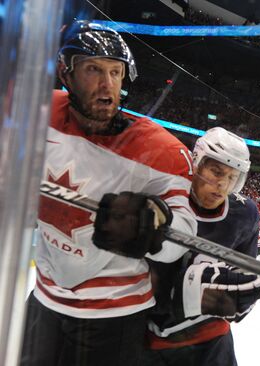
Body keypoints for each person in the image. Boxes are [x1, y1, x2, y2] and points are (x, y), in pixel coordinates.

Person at [20, 20, 197, 366]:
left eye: (116, 73)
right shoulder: (38, 113)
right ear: (66, 74)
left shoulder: (158, 149)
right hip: (45, 300)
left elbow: (184, 233)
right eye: (93, 70)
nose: (107, 85)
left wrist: (155, 227)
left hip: (114, 315)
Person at [140, 127, 260, 366]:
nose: (222, 185)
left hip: (211, 340)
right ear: (196, 163)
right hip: (150, 337)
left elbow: (245, 274)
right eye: (216, 172)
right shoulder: (164, 199)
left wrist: (241, 296)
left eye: (232, 177)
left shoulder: (244, 213)